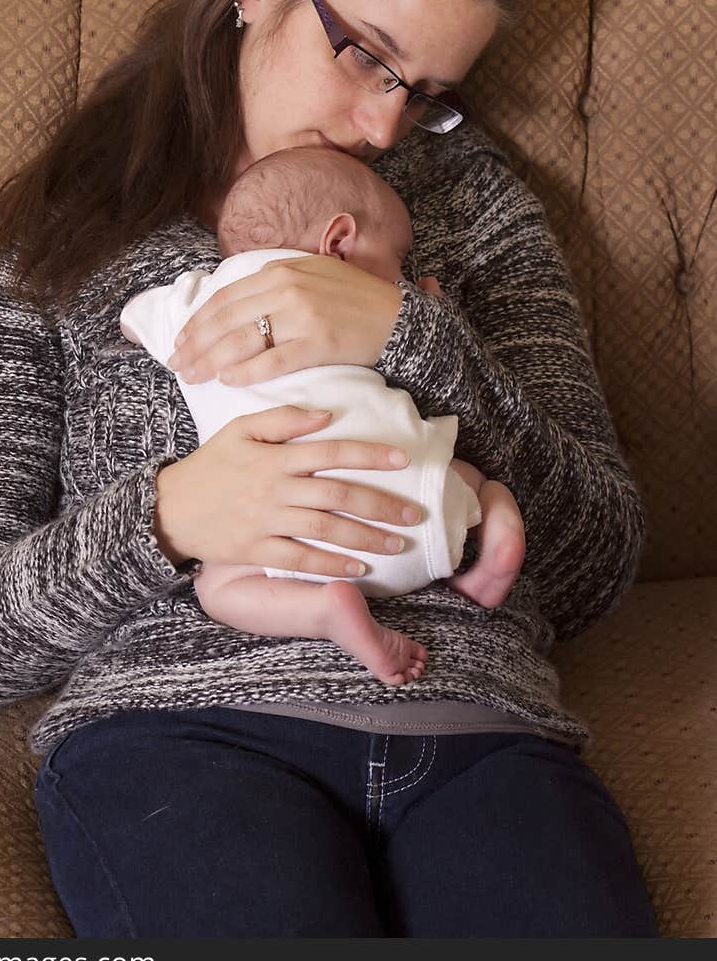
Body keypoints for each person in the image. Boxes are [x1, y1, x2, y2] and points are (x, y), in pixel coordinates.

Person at [0, 0, 659, 937]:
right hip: (185, 742)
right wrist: (166, 518)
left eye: (427, 93)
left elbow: (595, 562)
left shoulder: (471, 216)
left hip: (480, 741)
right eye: (364, 53)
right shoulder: (58, 245)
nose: (383, 125)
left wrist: (410, 333)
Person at [119, 141, 527, 685]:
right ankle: (497, 537)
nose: (401, 280)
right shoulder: (401, 301)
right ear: (338, 243)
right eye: (399, 263)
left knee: (217, 586)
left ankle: (323, 610)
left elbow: (131, 319)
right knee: (476, 483)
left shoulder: (200, 298)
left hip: (285, 551)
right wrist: (426, 319)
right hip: (418, 509)